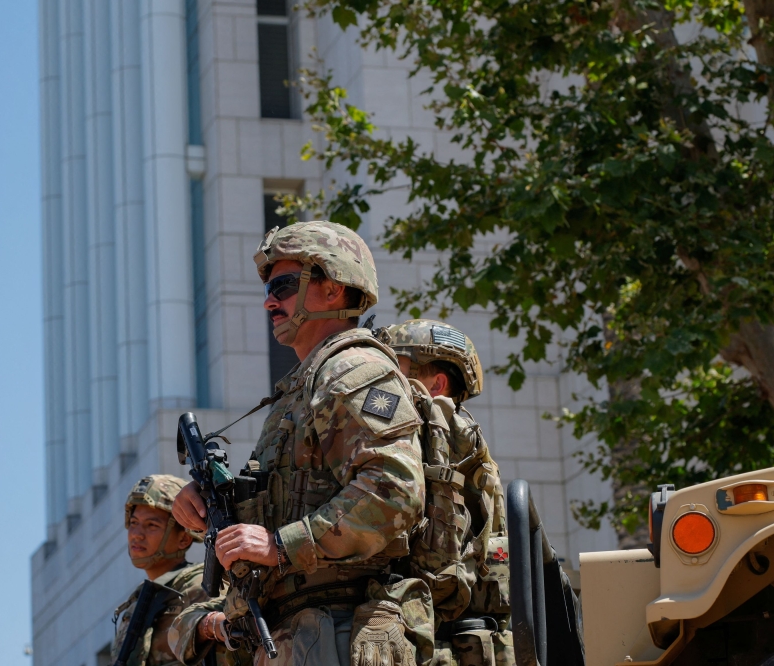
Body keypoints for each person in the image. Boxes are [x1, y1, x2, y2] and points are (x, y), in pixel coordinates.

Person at [167, 221, 431, 666]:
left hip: (340, 629)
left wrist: (282, 545)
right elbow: (287, 498)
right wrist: (206, 507)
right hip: (301, 632)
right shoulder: (303, 386)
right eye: (269, 289)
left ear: (333, 289)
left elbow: (396, 490)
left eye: (285, 285)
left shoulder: (353, 371)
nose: (270, 300)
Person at [376, 320, 515, 666]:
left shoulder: (439, 439)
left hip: (437, 642)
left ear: (436, 384)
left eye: (397, 369)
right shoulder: (470, 446)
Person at [111, 474, 207, 666]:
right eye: (134, 523)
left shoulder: (199, 588)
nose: (136, 535)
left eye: (151, 525)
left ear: (184, 539)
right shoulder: (137, 601)